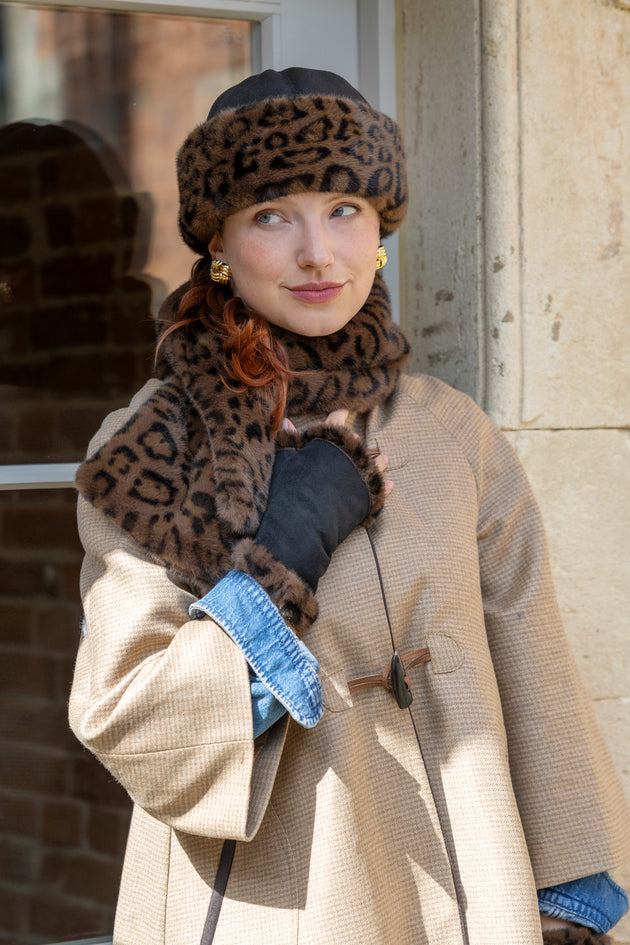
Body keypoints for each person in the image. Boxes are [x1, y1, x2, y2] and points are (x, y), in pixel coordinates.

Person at [69, 68, 629, 945]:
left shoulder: (450, 429)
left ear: (379, 231)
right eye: (271, 215)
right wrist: (281, 556)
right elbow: (133, 717)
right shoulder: (152, 445)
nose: (318, 254)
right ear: (218, 243)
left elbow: (534, 662)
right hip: (273, 901)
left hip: (475, 888)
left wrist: (571, 891)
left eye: (343, 209)